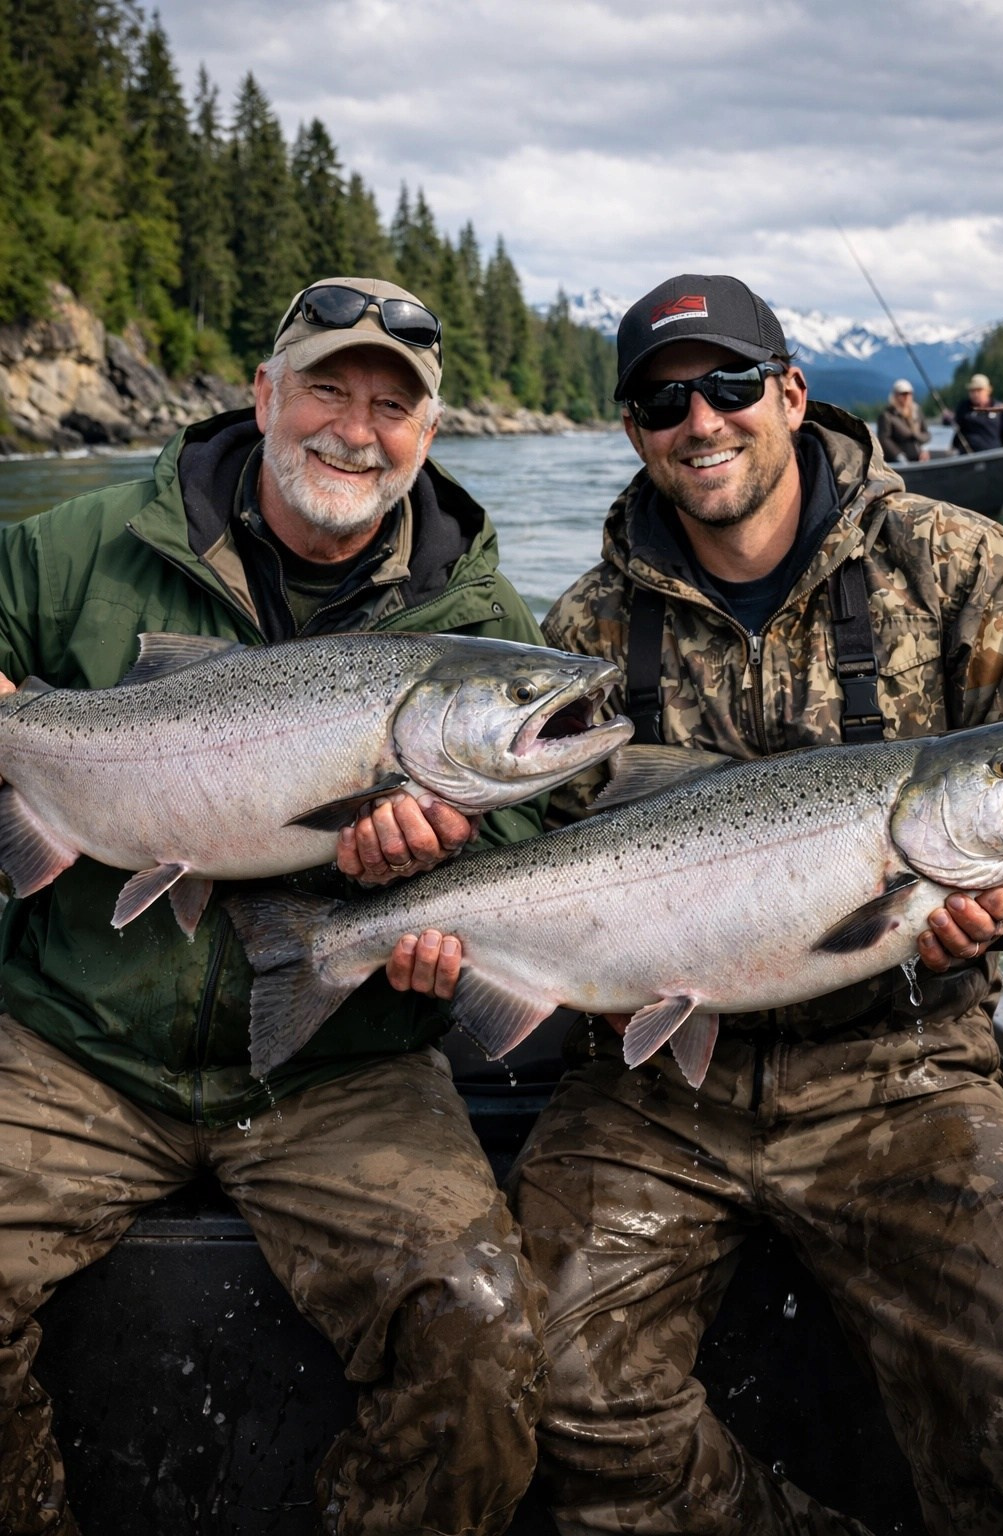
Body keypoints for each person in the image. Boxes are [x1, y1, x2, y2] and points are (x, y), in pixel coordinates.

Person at [401, 272, 1003, 1535]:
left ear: (791, 394)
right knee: (537, 1391)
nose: (703, 419)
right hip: (646, 1094)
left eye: (731, 384)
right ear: (634, 430)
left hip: (901, 1068)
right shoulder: (582, 629)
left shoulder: (959, 564)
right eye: (663, 399)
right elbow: (531, 862)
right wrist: (436, 929)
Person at [0, 276, 548, 1536]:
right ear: (262, 394)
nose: (355, 429)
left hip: (339, 1074)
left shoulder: (475, 623)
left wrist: (435, 869)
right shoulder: (69, 548)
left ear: (428, 435)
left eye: (392, 408)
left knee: (482, 1331)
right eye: (327, 388)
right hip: (76, 1038)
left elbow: (541, 839)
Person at [944, 371, 1003, 453]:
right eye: (972, 391)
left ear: (988, 390)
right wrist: (947, 419)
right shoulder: (963, 407)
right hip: (967, 455)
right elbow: (955, 426)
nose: (975, 394)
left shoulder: (1000, 408)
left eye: (979, 390)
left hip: (993, 454)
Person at [875, 377, 930, 461]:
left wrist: (924, 449)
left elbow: (926, 434)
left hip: (918, 455)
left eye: (909, 393)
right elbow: (884, 439)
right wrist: (898, 455)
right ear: (895, 395)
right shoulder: (887, 415)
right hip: (897, 459)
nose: (907, 397)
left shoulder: (917, 412)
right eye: (903, 394)